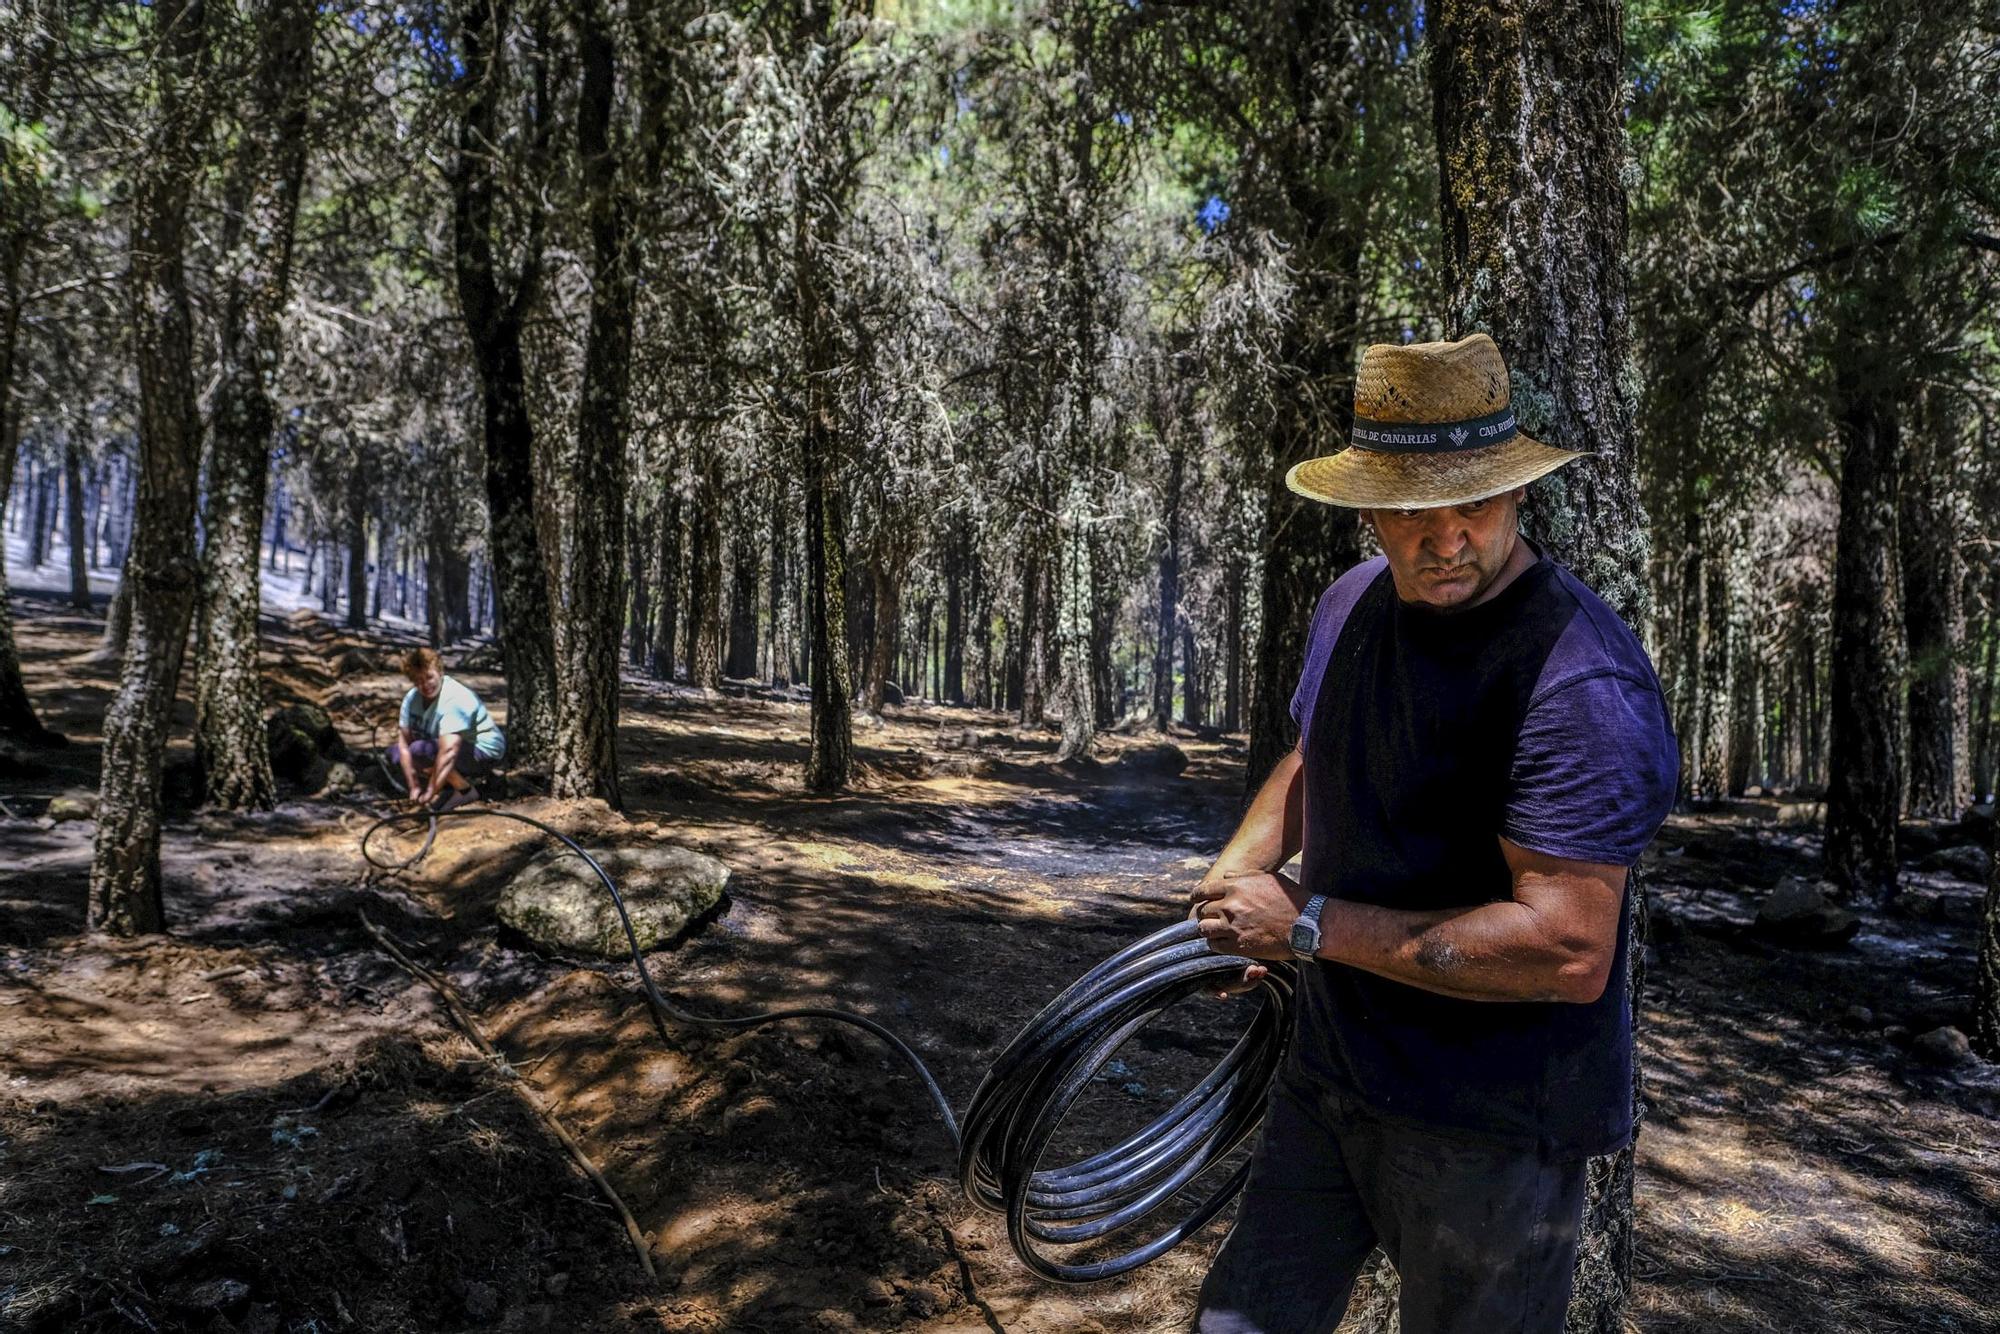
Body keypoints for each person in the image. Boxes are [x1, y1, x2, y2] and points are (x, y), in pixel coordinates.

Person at [1189, 333, 1678, 1334]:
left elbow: (1567, 947)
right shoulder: (1347, 604)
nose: (1443, 537)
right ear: (1366, 507)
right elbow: (1315, 763)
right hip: (1329, 1079)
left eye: (1473, 504)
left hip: (1490, 1129)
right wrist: (1234, 877)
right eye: (1413, 512)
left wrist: (1307, 925)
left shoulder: (1576, 678)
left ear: (1518, 496)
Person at [385, 647, 506, 813]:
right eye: (418, 681)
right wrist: (413, 786)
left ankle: (465, 791)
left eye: (429, 677)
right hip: (442, 746)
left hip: (481, 749)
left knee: (420, 751)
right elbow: (404, 744)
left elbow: (449, 751)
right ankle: (446, 784)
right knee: (395, 753)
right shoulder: (412, 698)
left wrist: (430, 791)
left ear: (440, 671)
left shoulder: (455, 697)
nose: (425, 685)